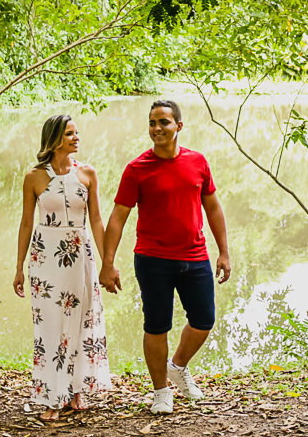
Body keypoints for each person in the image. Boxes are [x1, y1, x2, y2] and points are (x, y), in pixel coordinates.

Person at [99, 100, 231, 415]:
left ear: (179, 126)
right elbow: (118, 218)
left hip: (195, 256)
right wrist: (108, 263)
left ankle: (178, 367)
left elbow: (212, 207)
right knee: (156, 325)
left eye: (164, 122)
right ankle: (161, 391)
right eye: (152, 123)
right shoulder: (137, 169)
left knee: (203, 320)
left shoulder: (198, 162)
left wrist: (224, 251)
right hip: (153, 258)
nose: (157, 128)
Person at [14, 114, 112, 421]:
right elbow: (27, 222)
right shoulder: (34, 177)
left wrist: (108, 260)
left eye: (76, 132)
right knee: (51, 326)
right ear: (54, 138)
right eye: (69, 133)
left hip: (79, 254)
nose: (76, 137)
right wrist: (18, 267)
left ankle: (77, 389)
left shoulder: (88, 174)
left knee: (80, 320)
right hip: (46, 259)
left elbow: (96, 219)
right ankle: (52, 397)